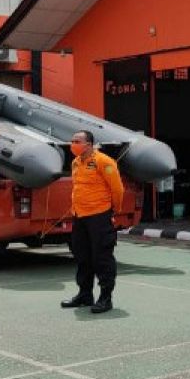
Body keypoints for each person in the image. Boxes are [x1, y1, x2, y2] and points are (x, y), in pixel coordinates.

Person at [61, 130, 124, 314]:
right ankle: (84, 294)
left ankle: (105, 297)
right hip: (80, 216)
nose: (73, 144)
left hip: (99, 216)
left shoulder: (104, 161)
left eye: (77, 141)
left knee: (102, 257)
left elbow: (117, 188)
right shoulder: (75, 162)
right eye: (72, 140)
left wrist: (114, 210)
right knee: (82, 256)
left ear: (89, 144)